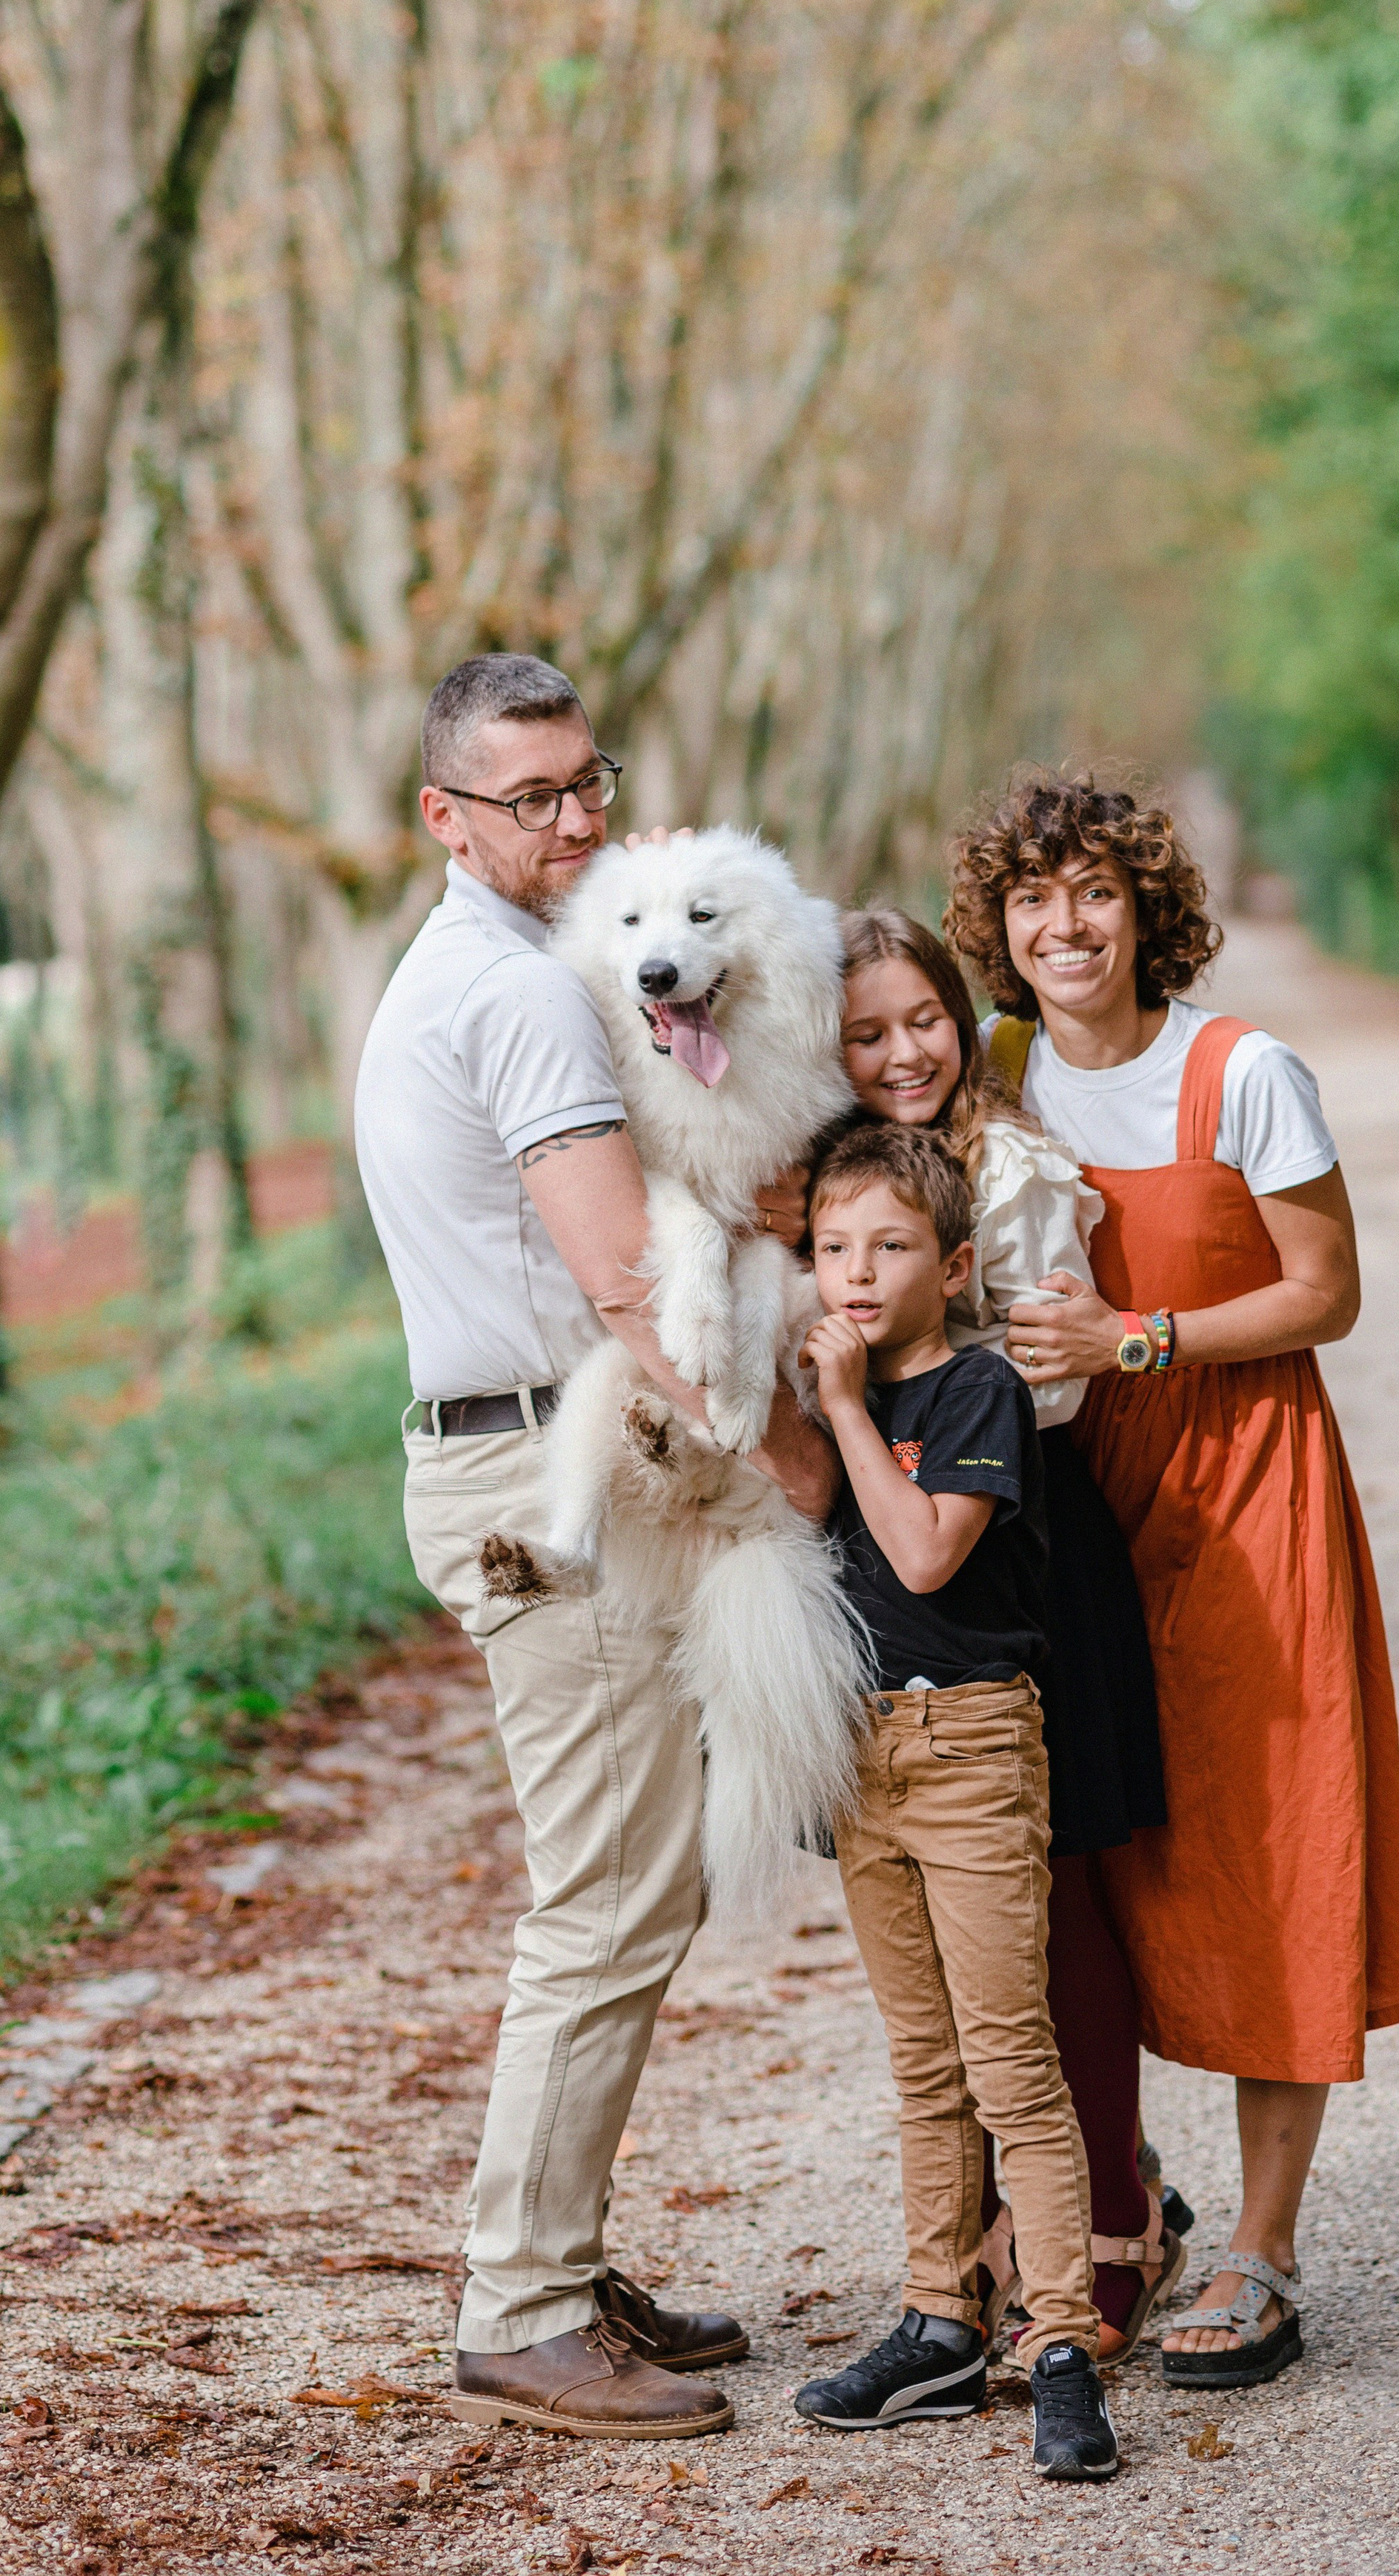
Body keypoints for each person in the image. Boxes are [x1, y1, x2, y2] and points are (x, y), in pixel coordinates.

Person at [353, 653, 833, 2442]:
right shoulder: (525, 999)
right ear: (445, 816)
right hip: (543, 1485)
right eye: (530, 796)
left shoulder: (492, 967)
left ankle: (559, 2254)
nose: (573, 819)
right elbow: (632, 1279)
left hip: (522, 1458)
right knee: (611, 1895)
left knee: (628, 1881)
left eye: (587, 782)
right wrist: (803, 1466)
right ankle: (524, 2307)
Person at [943, 769, 1399, 2393]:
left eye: (1095, 892)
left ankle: (1263, 2250)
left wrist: (1136, 1338)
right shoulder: (990, 1069)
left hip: (1241, 1485)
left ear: (1148, 907)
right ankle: (1116, 2205)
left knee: (1270, 1841)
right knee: (1085, 1857)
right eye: (1032, 900)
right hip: (1061, 1505)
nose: (1064, 926)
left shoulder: (1243, 1072)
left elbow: (1325, 1290)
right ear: (1000, 927)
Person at [835, 910, 1183, 2363]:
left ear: (961, 1016)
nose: (901, 1053)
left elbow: (1043, 1385)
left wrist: (879, 1360)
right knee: (946, 1952)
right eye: (865, 1033)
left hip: (1021, 1547)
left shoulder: (1013, 1171)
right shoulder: (841, 1180)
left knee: (1057, 1901)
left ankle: (1111, 2222)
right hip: (890, 1577)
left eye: (923, 1018)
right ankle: (981, 2244)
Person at [791, 1122, 1118, 2483]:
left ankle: (1063, 2344)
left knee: (1010, 2063)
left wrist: (847, 1409)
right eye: (833, 1250)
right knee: (924, 2068)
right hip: (860, 1751)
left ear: (958, 1264)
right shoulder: (825, 1394)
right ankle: (940, 2321)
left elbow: (926, 1556)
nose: (858, 1274)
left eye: (891, 1246)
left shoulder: (976, 1388)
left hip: (970, 1744)